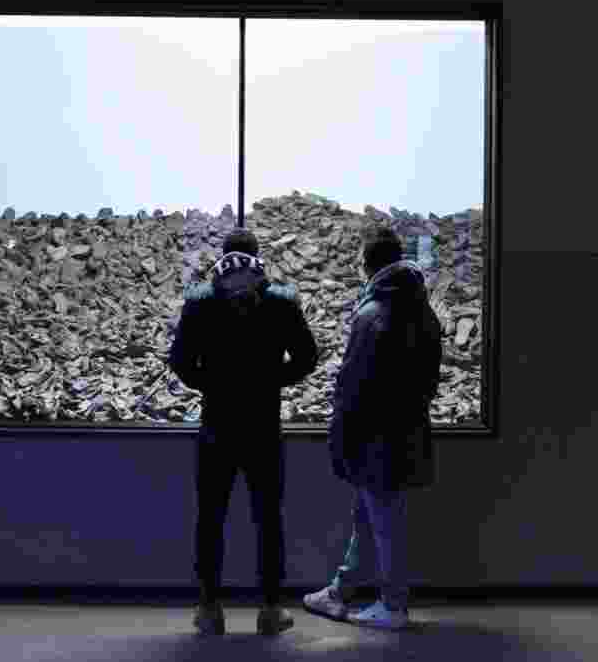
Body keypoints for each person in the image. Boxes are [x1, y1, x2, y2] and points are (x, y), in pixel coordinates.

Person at [169, 223, 442, 635]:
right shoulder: (280, 300)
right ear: (258, 254)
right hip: (263, 424)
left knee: (210, 519)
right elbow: (307, 357)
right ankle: (269, 610)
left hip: (216, 425)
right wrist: (267, 381)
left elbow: (181, 363)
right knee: (268, 520)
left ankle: (209, 611)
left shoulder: (199, 301)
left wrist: (215, 383)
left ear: (221, 256)